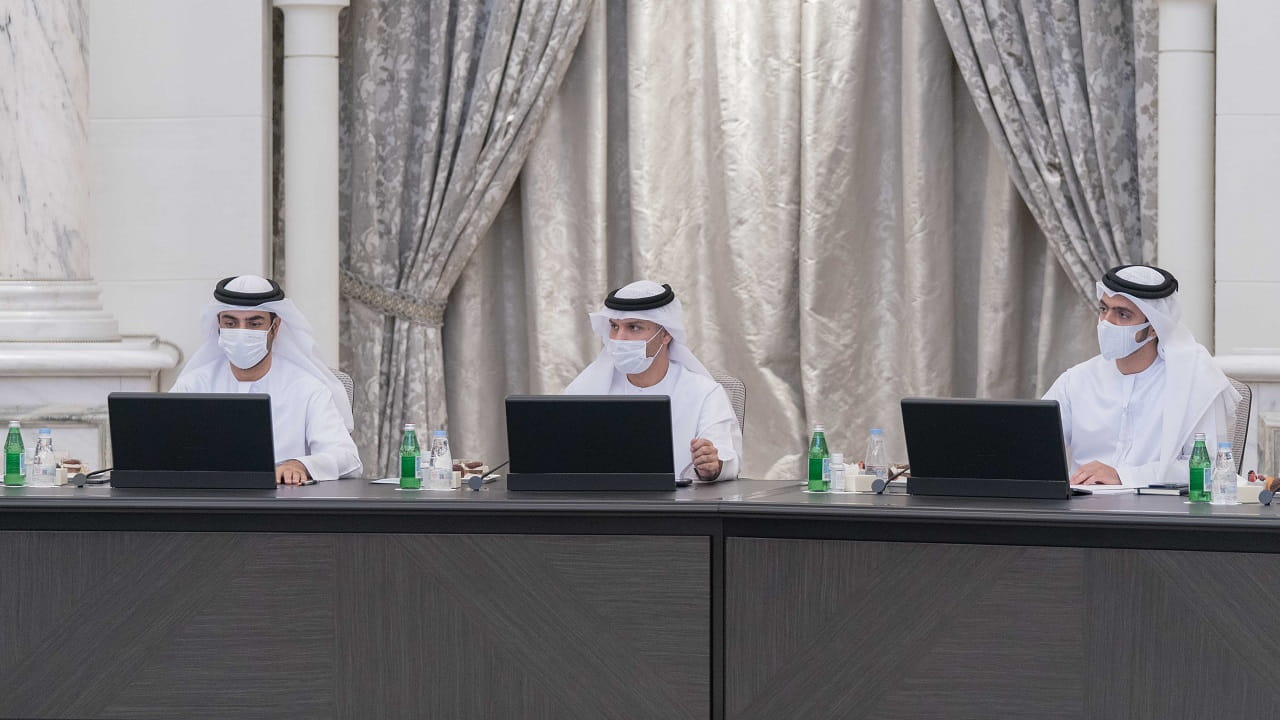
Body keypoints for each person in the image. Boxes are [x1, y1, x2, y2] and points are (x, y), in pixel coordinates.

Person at [1044, 264, 1239, 487]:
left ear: (1154, 327)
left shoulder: (1192, 381)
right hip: (1079, 504)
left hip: (1155, 506)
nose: (1107, 322)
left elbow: (1207, 467)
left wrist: (1123, 476)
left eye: (1122, 314)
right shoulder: (1076, 380)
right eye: (1103, 309)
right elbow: (1034, 444)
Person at [170, 275, 363, 483]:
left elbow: (347, 458)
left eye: (254, 324)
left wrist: (300, 465)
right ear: (219, 325)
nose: (241, 332)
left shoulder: (307, 388)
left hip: (283, 500)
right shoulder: (193, 385)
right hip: (207, 498)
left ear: (275, 327)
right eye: (231, 323)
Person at [565, 280, 743, 482]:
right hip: (604, 500)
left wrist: (712, 465)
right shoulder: (586, 390)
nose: (619, 338)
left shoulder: (704, 393)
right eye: (614, 326)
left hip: (680, 501)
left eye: (634, 327)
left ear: (666, 334)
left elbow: (725, 458)